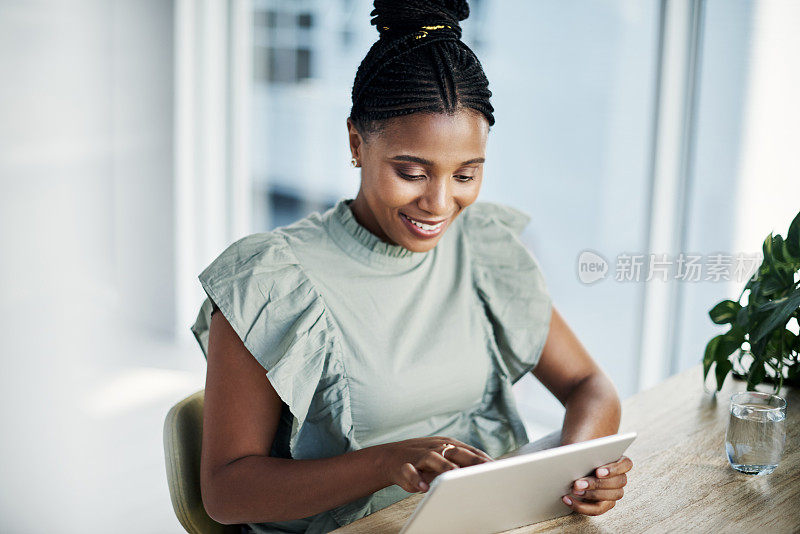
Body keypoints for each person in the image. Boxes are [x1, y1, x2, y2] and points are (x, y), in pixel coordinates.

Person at [189, 1, 633, 532]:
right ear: (356, 143)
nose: (440, 204)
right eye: (412, 172)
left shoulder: (482, 246)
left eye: (465, 175)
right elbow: (227, 493)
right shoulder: (270, 280)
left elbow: (589, 384)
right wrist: (383, 463)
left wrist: (579, 471)